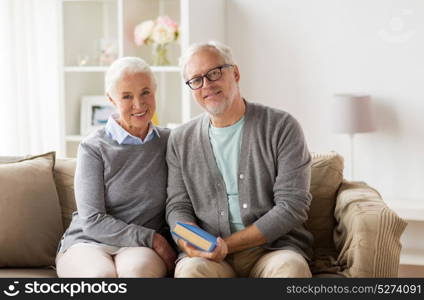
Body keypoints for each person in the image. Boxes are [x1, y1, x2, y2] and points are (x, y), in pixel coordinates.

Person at [166, 41, 313, 278]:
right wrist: (188, 239)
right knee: (190, 272)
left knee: (291, 269)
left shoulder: (282, 127)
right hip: (208, 256)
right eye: (196, 80)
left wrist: (228, 246)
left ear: (235, 73)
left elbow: (292, 207)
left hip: (273, 250)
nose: (207, 85)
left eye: (214, 73)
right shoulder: (180, 139)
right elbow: (177, 206)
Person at [56, 57, 176, 278]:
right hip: (87, 242)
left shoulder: (170, 142)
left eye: (146, 92)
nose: (139, 104)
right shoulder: (93, 147)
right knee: (100, 277)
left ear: (155, 91)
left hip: (138, 249)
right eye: (127, 96)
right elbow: (92, 220)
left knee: (137, 274)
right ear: (111, 98)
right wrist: (154, 239)